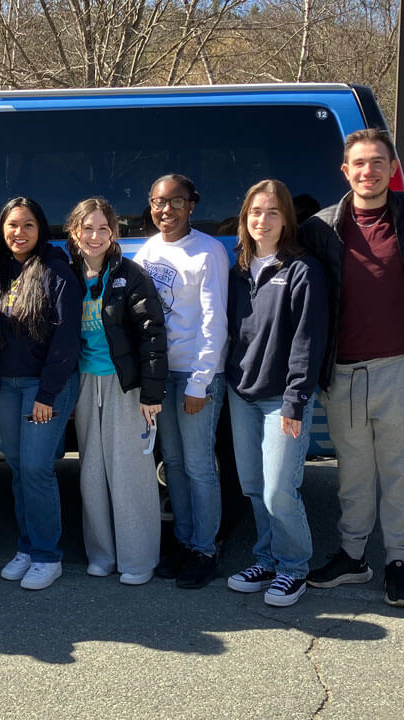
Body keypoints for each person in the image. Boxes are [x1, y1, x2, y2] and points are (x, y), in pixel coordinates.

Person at [297, 128, 404, 607]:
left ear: (392, 168)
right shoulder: (320, 228)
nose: (369, 171)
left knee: (399, 473)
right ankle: (353, 556)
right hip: (342, 373)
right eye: (359, 163)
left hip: (400, 367)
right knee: (353, 474)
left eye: (378, 161)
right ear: (346, 171)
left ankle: (396, 561)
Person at [222, 179, 328, 608]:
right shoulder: (238, 270)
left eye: (271, 212)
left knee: (279, 490)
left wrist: (296, 400)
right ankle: (265, 558)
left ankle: (293, 567)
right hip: (241, 393)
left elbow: (307, 342)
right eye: (254, 212)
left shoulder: (302, 271)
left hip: (281, 398)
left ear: (286, 219)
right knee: (252, 484)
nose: (261, 220)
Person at [134, 174, 230, 589]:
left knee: (198, 465)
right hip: (161, 374)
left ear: (192, 204)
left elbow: (215, 322)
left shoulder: (208, 252)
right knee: (171, 463)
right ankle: (185, 541)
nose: (165, 210)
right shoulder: (149, 250)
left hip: (194, 374)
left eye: (175, 202)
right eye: (158, 202)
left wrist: (200, 382)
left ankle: (206, 549)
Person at [66, 197, 166, 586]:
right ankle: (102, 555)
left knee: (129, 471)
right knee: (91, 470)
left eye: (103, 229)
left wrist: (152, 394)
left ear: (114, 234)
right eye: (87, 228)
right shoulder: (68, 275)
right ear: (75, 233)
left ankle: (138, 560)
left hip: (127, 385)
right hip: (85, 383)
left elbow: (152, 336)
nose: (95, 236)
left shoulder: (130, 275)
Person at [0, 197, 81, 591]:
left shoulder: (57, 273)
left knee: (38, 469)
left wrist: (47, 393)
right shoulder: (2, 272)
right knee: (18, 467)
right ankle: (26, 547)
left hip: (45, 388)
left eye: (27, 225)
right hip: (7, 386)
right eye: (12, 225)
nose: (19, 233)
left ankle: (47, 555)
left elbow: (65, 342)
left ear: (40, 228)